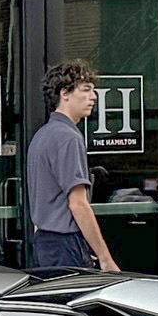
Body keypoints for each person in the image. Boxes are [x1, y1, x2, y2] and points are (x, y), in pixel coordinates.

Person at [26, 61, 120, 273]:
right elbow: (78, 204)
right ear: (64, 93)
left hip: (45, 242)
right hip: (65, 243)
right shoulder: (68, 138)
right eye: (86, 90)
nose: (93, 97)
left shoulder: (42, 136)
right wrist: (105, 259)